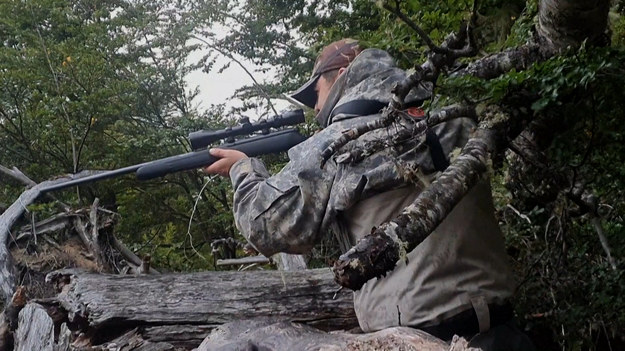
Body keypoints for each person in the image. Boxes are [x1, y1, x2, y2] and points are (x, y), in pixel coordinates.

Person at [204, 39, 534, 350]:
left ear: (342, 76)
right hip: (506, 332)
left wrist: (243, 169)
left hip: (417, 342)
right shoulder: (454, 118)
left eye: (315, 93)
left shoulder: (340, 142)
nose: (315, 107)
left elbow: (266, 225)